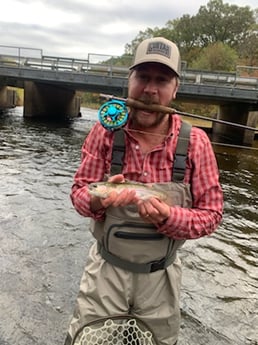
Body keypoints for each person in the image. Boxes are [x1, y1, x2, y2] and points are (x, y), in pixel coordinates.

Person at [64, 37, 223, 345]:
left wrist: (169, 217)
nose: (150, 90)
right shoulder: (105, 131)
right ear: (130, 81)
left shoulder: (197, 143)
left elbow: (212, 214)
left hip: (160, 278)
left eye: (161, 80)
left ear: (175, 89)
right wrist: (99, 198)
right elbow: (79, 193)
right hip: (106, 271)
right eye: (143, 77)